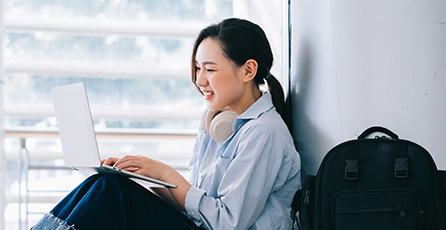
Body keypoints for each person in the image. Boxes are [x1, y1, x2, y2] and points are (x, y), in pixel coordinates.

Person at [32, 18, 301, 230]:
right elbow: (195, 207)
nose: (199, 80)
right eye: (197, 68)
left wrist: (166, 175)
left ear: (248, 70)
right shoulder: (217, 123)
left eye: (210, 69)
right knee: (101, 184)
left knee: (109, 192)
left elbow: (226, 224)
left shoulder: (264, 133)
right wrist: (147, 177)